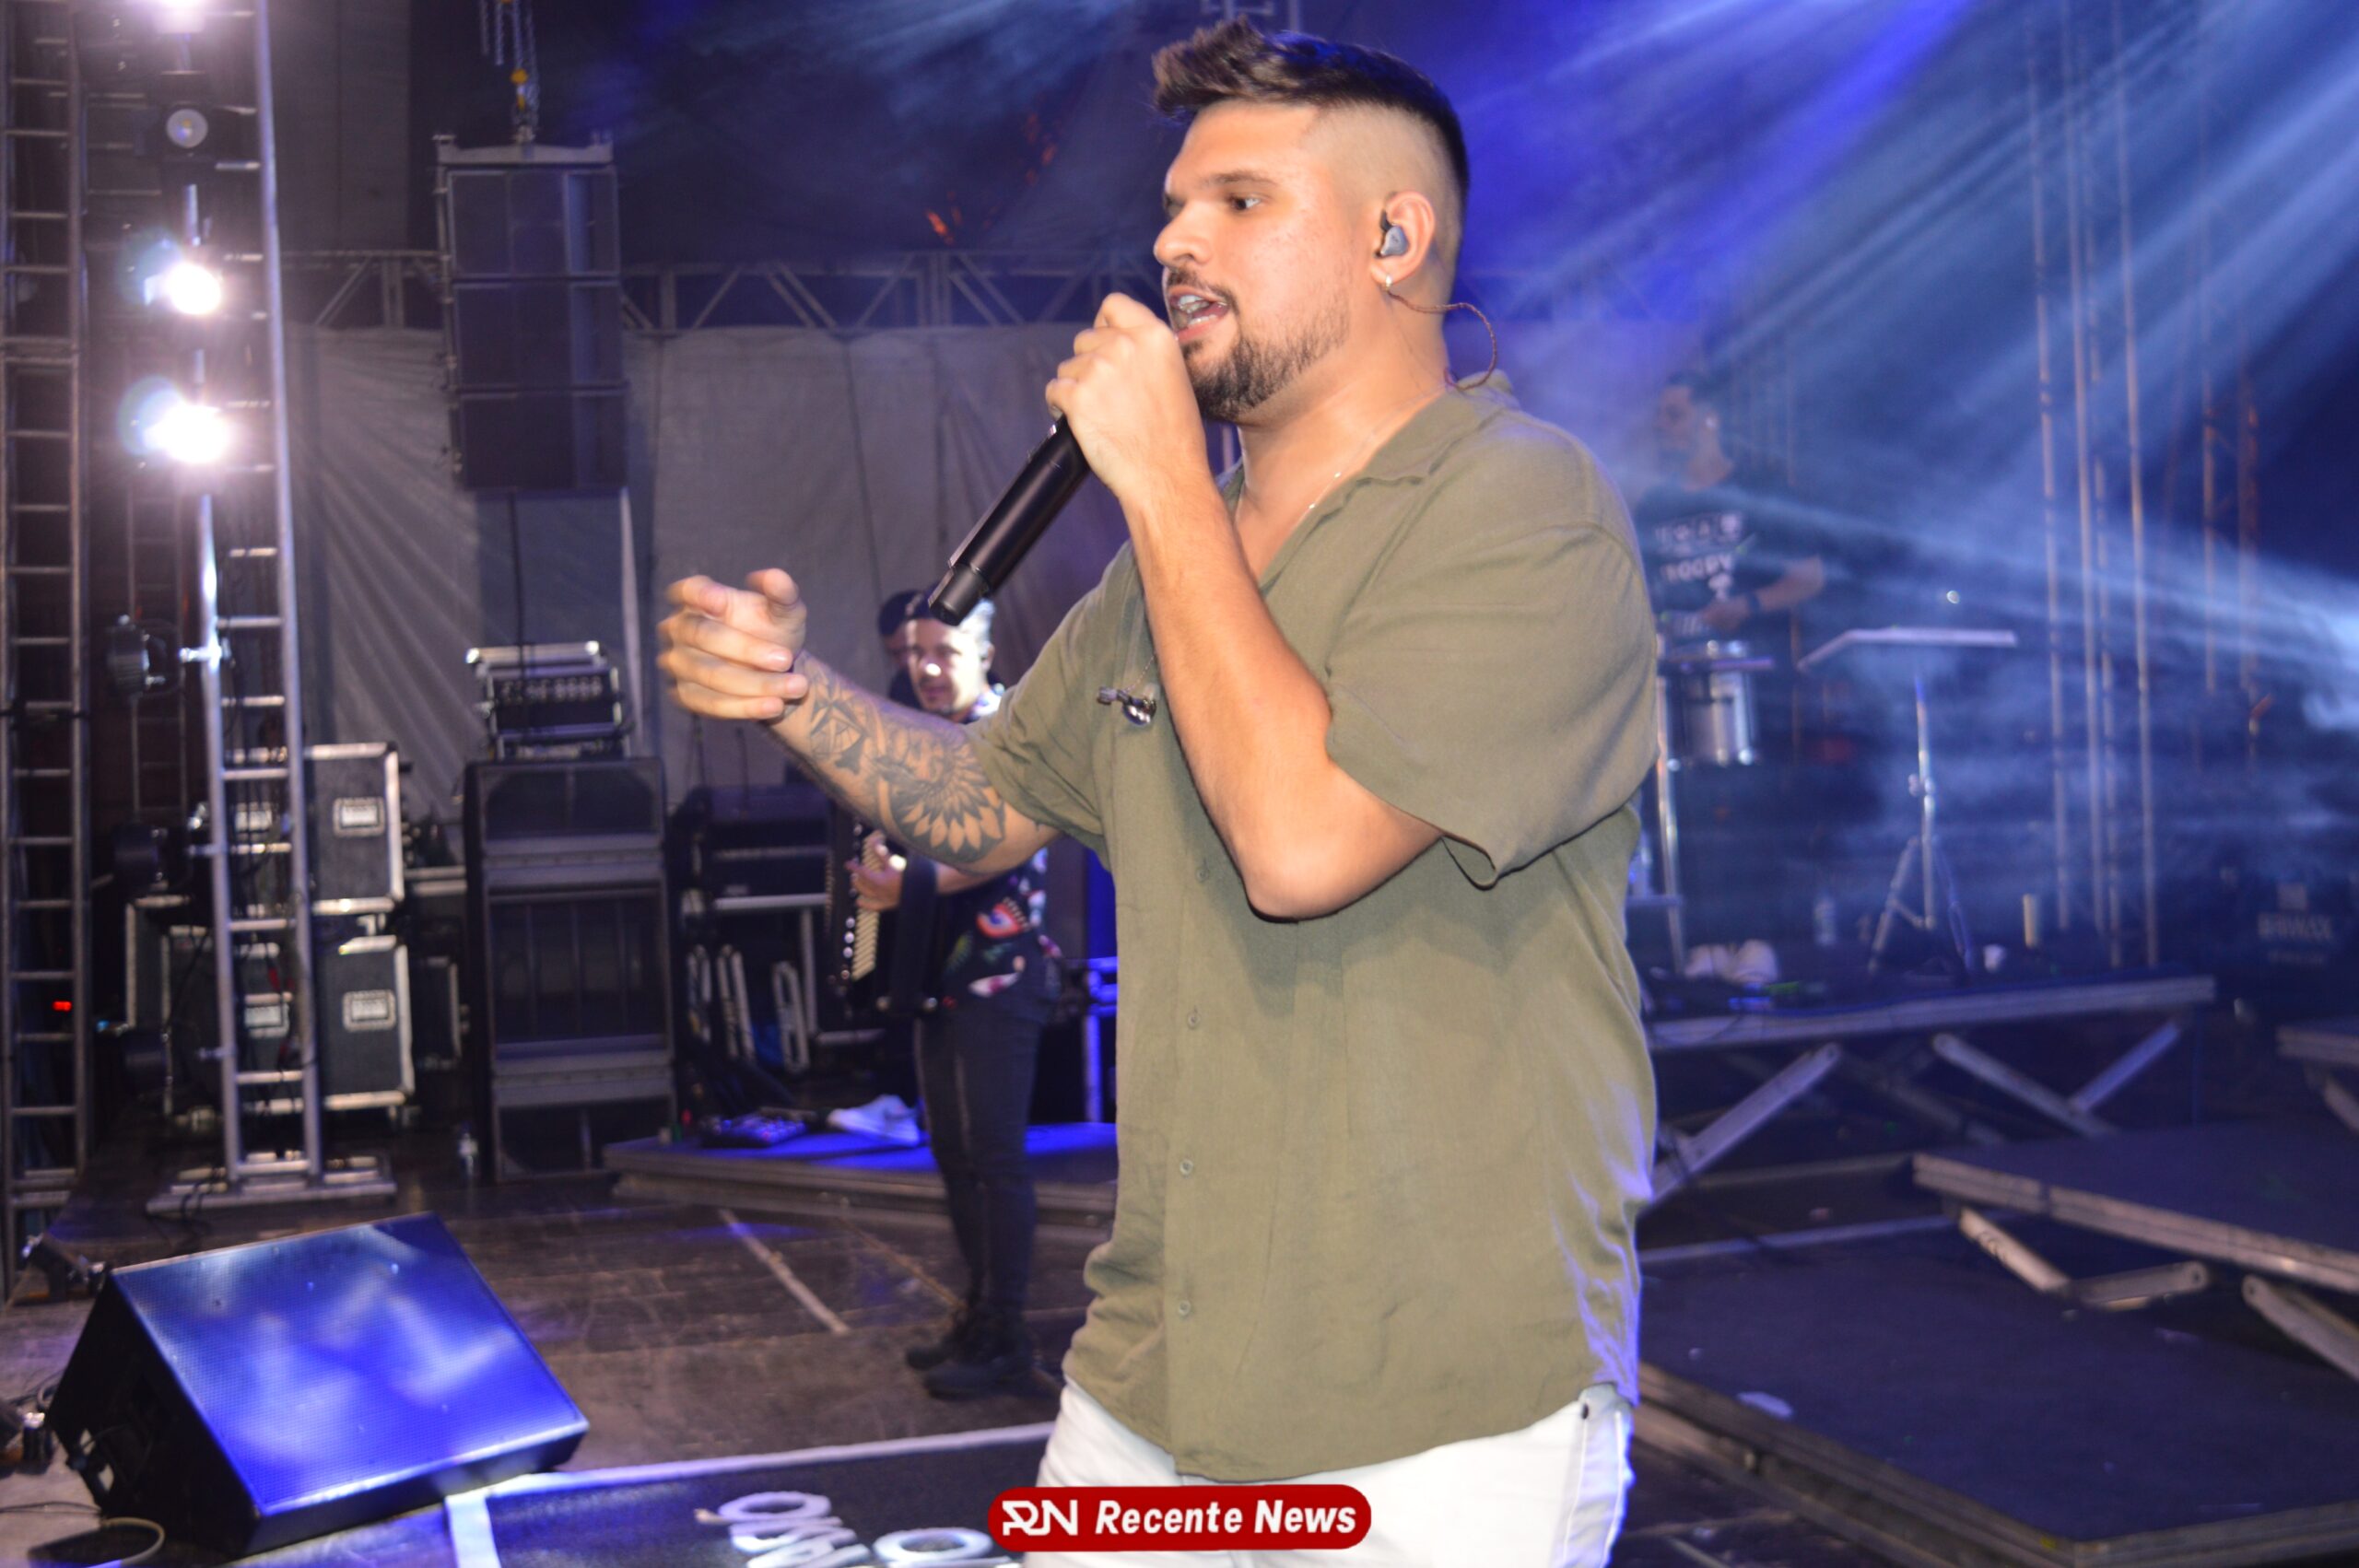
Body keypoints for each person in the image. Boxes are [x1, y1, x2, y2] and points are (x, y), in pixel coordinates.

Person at [661, 18, 1657, 1565]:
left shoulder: (1524, 509)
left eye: (1241, 202)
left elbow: (1304, 844)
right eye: (1176, 207)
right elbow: (980, 804)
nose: (1176, 243)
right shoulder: (1161, 576)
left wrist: (1169, 485)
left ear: (1395, 239)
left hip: (1438, 1423)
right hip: (1152, 1385)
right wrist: (794, 691)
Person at [845, 595, 1055, 1398]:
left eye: (944, 652)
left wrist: (908, 885)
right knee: (955, 1156)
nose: (926, 668)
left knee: (994, 1159)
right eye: (914, 653)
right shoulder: (926, 733)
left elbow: (1000, 842)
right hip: (939, 975)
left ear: (985, 653)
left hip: (1000, 976)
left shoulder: (1007, 730)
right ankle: (980, 1315)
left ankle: (1006, 1331)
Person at [1631, 369, 1825, 641]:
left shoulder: (1760, 489)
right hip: (1678, 662)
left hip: (1753, 661)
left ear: (1710, 420)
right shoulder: (1652, 506)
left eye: (1674, 415)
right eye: (1659, 416)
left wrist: (1748, 605)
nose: (1661, 425)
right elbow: (1639, 590)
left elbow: (1810, 579)